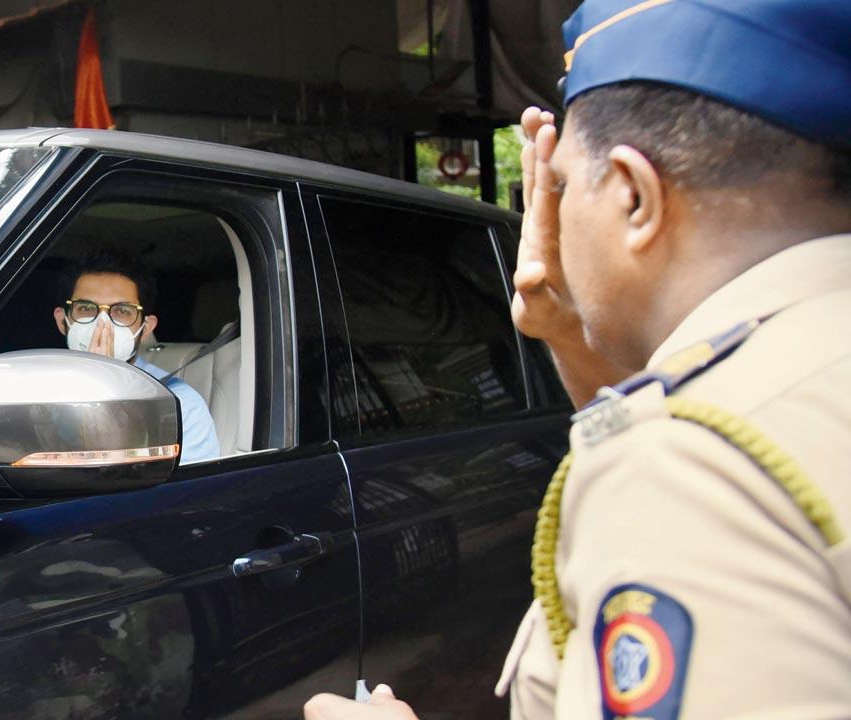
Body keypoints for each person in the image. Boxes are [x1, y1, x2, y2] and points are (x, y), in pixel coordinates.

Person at [305, 0, 851, 718]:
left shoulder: (689, 469)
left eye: (562, 185)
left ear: (632, 196)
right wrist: (573, 334)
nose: (550, 216)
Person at [53, 252, 220, 465]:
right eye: (86, 308)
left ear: (146, 327)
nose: (102, 323)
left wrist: (103, 388)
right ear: (62, 320)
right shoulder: (38, 390)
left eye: (122, 311)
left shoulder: (178, 404)